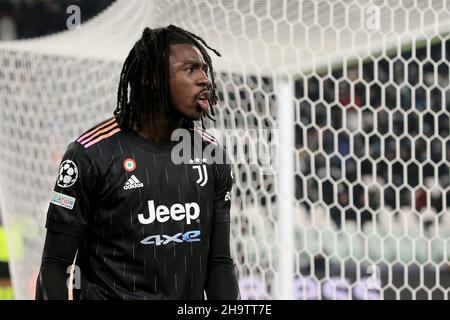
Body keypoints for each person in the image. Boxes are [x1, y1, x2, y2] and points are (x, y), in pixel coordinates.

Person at [35, 25, 240, 300]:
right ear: (151, 78)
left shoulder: (211, 154)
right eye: (190, 70)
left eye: (205, 70)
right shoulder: (90, 154)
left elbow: (220, 264)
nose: (205, 79)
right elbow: (54, 266)